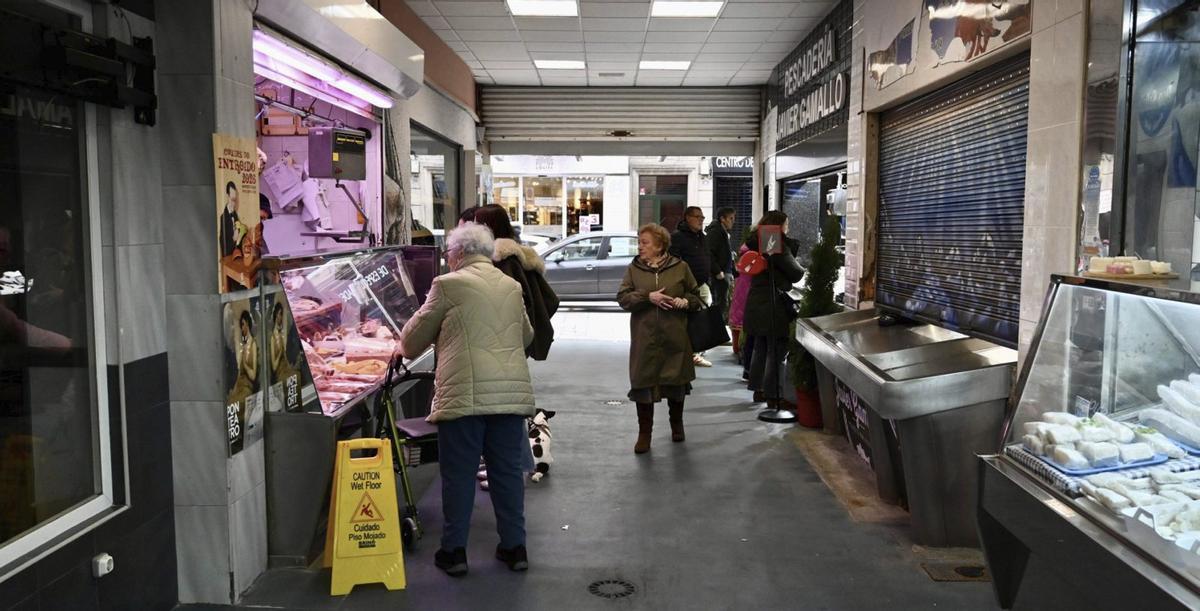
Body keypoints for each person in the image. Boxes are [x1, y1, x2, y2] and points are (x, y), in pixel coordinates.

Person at [398, 223, 535, 577]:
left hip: (463, 397)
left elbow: (411, 341)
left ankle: (454, 552)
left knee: (458, 475)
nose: (447, 259)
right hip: (508, 395)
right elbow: (526, 336)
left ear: (457, 253)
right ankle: (514, 547)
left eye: (447, 253)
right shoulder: (511, 285)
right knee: (506, 473)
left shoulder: (448, 284)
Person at [617, 223, 702, 454]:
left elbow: (696, 296)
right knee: (643, 385)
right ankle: (645, 434)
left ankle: (677, 425)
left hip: (675, 337)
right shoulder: (634, 269)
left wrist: (687, 302)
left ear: (660, 245)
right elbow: (623, 298)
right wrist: (648, 297)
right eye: (639, 242)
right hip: (644, 339)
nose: (640, 246)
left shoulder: (680, 267)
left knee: (675, 384)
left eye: (645, 242)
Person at [474, 204, 558, 360]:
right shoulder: (520, 256)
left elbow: (506, 303)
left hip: (502, 342)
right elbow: (549, 301)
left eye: (476, 223)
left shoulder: (502, 260)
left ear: (486, 227)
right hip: (513, 342)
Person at [743, 211, 805, 408]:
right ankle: (774, 396)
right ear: (778, 226)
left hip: (757, 300)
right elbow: (796, 273)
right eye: (786, 224)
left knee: (761, 346)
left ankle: (759, 390)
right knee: (777, 349)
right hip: (773, 303)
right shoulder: (773, 242)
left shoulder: (757, 240)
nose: (788, 228)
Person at [669, 206, 713, 367]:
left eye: (702, 217)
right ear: (687, 217)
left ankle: (696, 351)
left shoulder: (701, 236)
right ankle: (689, 353)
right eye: (697, 217)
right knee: (689, 320)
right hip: (687, 287)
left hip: (702, 284)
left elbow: (707, 256)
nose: (701, 219)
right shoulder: (678, 237)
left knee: (701, 319)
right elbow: (673, 260)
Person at [706, 206, 736, 324]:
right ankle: (714, 329)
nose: (733, 222)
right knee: (720, 303)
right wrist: (717, 271)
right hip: (719, 275)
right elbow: (709, 253)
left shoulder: (722, 232)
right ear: (722, 219)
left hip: (724, 273)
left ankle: (716, 328)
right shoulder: (715, 232)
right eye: (731, 218)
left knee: (722, 302)